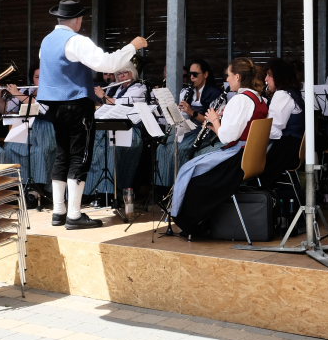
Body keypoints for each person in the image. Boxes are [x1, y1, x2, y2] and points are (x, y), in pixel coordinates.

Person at [37, 0, 147, 230]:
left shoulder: (46, 41)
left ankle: (59, 211)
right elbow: (106, 64)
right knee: (80, 157)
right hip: (76, 104)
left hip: (54, 106)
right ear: (77, 20)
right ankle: (74, 215)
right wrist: (132, 46)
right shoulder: (76, 40)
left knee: (62, 155)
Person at [169, 57, 269, 237]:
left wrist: (215, 120)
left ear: (238, 77)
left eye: (229, 75)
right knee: (193, 168)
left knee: (190, 172)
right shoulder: (259, 99)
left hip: (236, 159)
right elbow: (240, 129)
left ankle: (191, 224)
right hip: (249, 156)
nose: (227, 79)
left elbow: (226, 137)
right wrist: (216, 123)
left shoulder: (240, 100)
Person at [88, 57, 148, 211]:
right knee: (95, 148)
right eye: (119, 74)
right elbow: (105, 106)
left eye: (124, 73)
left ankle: (112, 192)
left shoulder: (139, 87)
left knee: (109, 150)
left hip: (130, 130)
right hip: (110, 129)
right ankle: (98, 191)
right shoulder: (114, 88)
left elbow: (123, 105)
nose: (121, 76)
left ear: (133, 73)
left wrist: (103, 96)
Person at [155, 59, 223, 191]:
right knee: (162, 148)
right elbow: (183, 116)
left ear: (205, 74)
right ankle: (163, 188)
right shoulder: (187, 91)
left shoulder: (214, 93)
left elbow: (212, 121)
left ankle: (180, 188)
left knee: (181, 149)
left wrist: (191, 112)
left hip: (205, 131)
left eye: (195, 74)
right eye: (190, 74)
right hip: (188, 128)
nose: (191, 77)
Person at [0, 68, 56, 201]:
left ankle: (37, 188)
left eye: (43, 76)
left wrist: (17, 93)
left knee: (39, 151)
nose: (40, 80)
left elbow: (41, 108)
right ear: (32, 79)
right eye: (37, 77)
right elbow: (6, 110)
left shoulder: (52, 92)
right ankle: (17, 186)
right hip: (22, 124)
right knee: (9, 149)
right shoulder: (26, 91)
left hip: (44, 127)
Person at [262, 58, 305, 187]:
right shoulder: (293, 92)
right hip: (293, 147)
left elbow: (273, 130)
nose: (266, 79)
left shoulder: (282, 95)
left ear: (279, 76)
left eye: (269, 75)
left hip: (286, 151)